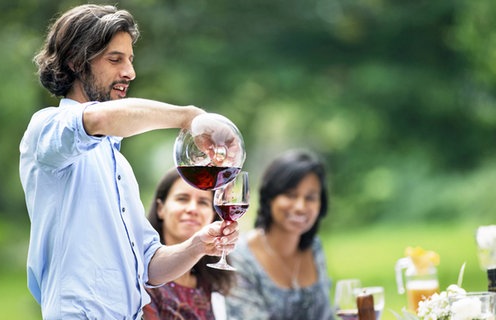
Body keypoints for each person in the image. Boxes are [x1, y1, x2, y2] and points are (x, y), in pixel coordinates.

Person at [19, 4, 239, 319]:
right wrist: (189, 117)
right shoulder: (48, 129)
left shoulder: (117, 164)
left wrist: (198, 245)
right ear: (75, 62)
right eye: (115, 59)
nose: (130, 72)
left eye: (130, 60)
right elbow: (100, 119)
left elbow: (150, 265)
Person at [225, 149, 334, 320]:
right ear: (270, 198)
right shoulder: (241, 257)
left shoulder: (314, 247)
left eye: (310, 197)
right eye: (290, 195)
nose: (300, 206)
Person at [143, 168, 235, 320]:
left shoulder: (212, 283)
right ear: (161, 209)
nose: (192, 209)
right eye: (182, 198)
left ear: (213, 214)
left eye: (203, 202)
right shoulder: (143, 278)